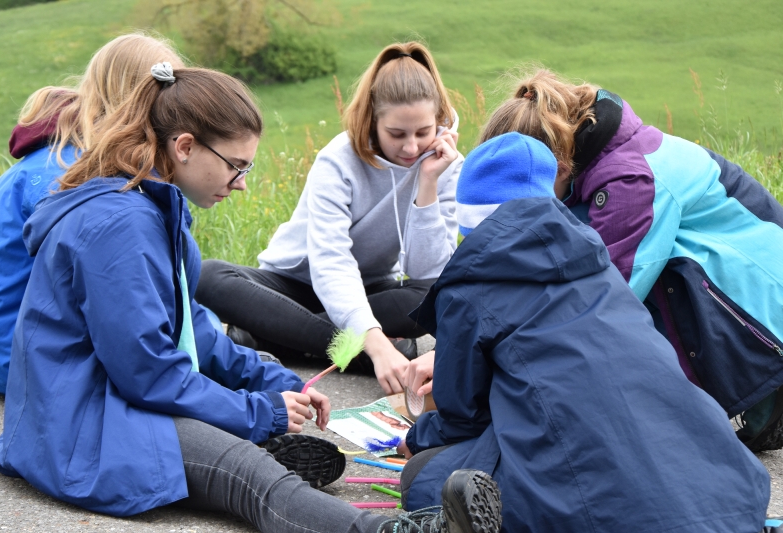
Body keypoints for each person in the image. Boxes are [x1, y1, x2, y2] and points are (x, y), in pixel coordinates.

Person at [0, 62, 501, 533]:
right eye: (237, 166)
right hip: (83, 428)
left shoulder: (150, 201)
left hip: (106, 404)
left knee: (247, 418)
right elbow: (149, 373)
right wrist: (261, 412)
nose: (242, 185)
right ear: (185, 147)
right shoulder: (121, 225)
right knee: (251, 477)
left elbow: (192, 329)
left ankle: (246, 442)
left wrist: (270, 380)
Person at [397, 132, 770, 533]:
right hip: (730, 499)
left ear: (471, 219)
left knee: (421, 477)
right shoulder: (598, 260)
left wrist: (416, 439)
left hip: (599, 505)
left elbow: (461, 418)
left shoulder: (468, 284)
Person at [472, 67, 783, 452]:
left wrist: (493, 363)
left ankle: (750, 397)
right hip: (745, 304)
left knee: (598, 323)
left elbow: (601, 302)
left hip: (764, 328)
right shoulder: (589, 163)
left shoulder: (630, 184)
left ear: (560, 169)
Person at [195, 41, 462, 394]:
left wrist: (427, 184)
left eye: (423, 132)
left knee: (435, 297)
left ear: (439, 122)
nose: (411, 147)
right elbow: (331, 262)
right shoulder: (338, 160)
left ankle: (272, 336)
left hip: (369, 290)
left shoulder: (444, 164)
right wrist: (377, 344)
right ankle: (358, 349)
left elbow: (429, 271)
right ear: (372, 121)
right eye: (396, 134)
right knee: (207, 275)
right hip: (294, 287)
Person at [0, 32, 185, 394]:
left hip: (6, 346)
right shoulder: (74, 172)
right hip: (22, 360)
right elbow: (114, 288)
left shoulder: (66, 154)